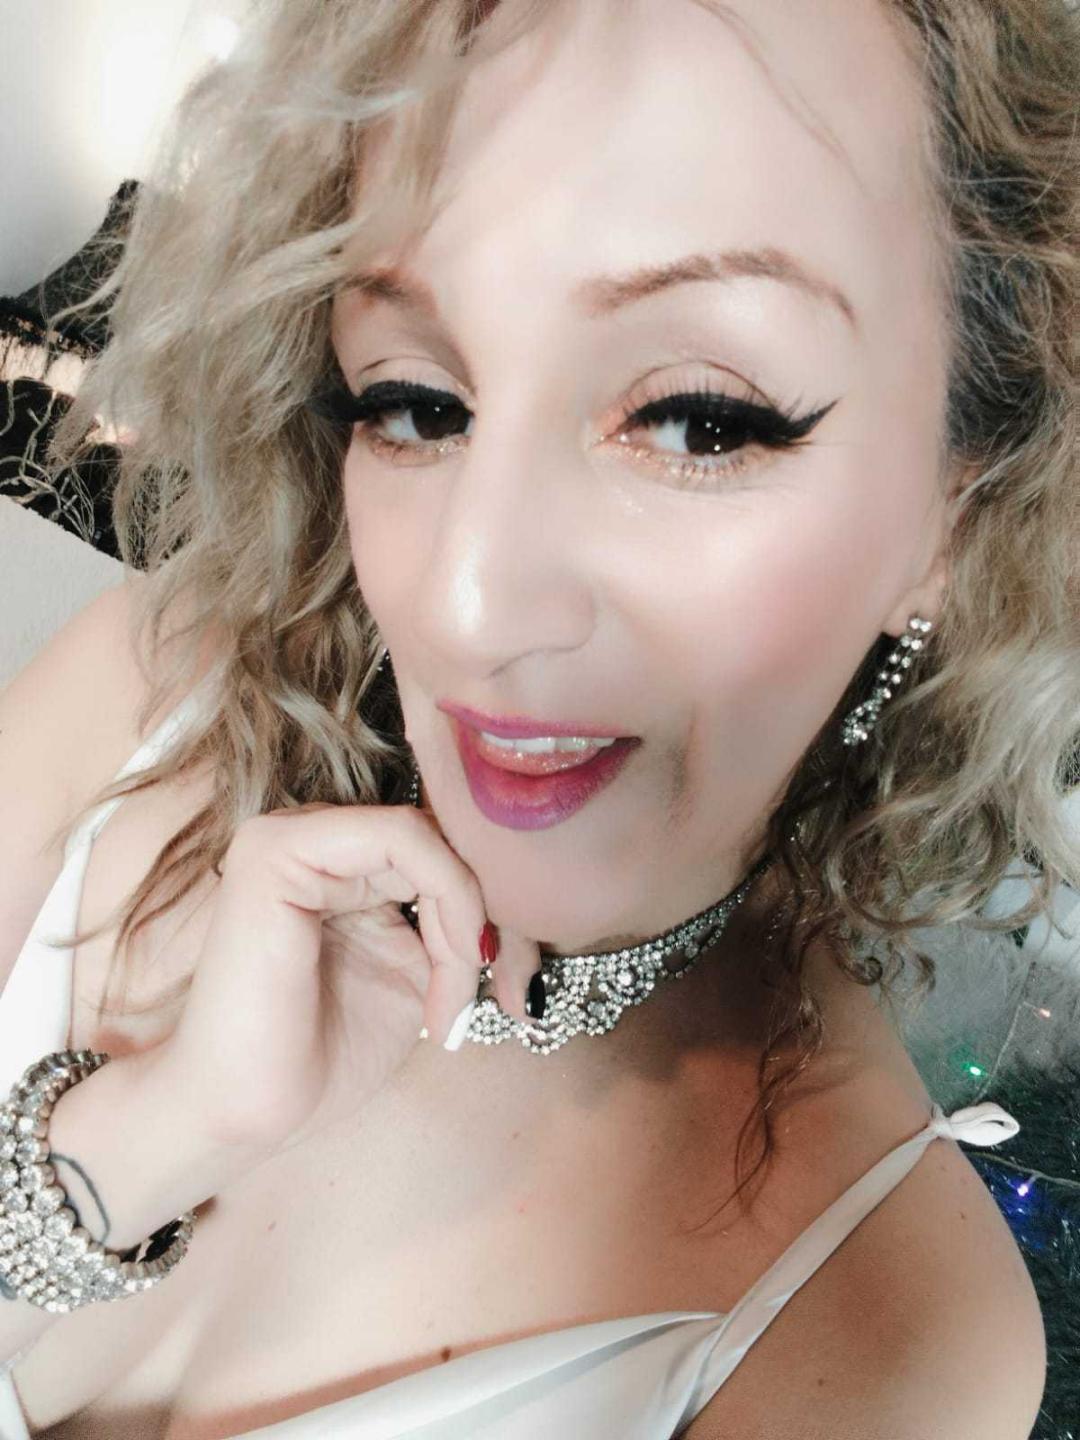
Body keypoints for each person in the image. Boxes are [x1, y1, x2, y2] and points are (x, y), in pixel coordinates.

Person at [0, 0, 1075, 1433]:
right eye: (416, 403)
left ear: (959, 504)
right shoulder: (145, 687)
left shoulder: (888, 1330)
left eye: (698, 420)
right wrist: (150, 1135)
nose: (465, 601)